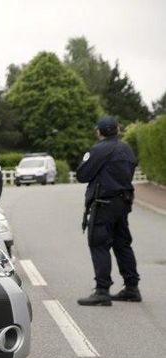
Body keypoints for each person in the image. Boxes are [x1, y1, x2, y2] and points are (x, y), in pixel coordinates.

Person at [76, 116, 141, 306]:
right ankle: (132, 287)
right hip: (123, 203)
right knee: (122, 244)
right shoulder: (127, 149)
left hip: (103, 203)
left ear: (100, 132)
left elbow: (82, 174)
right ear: (117, 130)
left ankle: (102, 290)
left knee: (99, 244)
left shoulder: (99, 149)